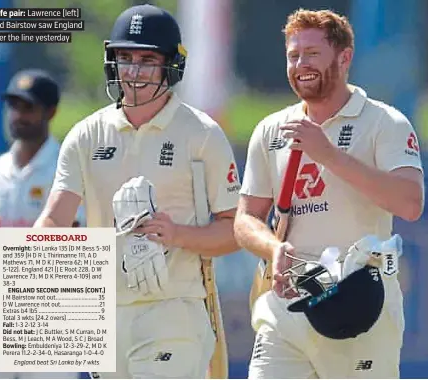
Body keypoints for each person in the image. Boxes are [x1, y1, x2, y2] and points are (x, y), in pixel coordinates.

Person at [34, 4, 240, 379]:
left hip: (173, 310)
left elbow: (235, 229)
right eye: (125, 58)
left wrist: (177, 234)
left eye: (147, 60)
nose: (134, 71)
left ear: (170, 66)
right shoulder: (86, 134)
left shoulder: (202, 134)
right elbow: (55, 218)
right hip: (106, 315)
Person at [234, 8, 424, 379]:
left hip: (359, 295)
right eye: (293, 55)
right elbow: (246, 218)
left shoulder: (385, 122)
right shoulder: (270, 131)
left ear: (345, 57)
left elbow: (410, 203)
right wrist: (272, 249)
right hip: (290, 297)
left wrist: (329, 155)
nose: (300, 64)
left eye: (312, 53)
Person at [0, 69, 84, 378]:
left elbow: (74, 259)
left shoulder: (68, 170)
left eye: (28, 107)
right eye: (13, 105)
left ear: (51, 112)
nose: (18, 114)